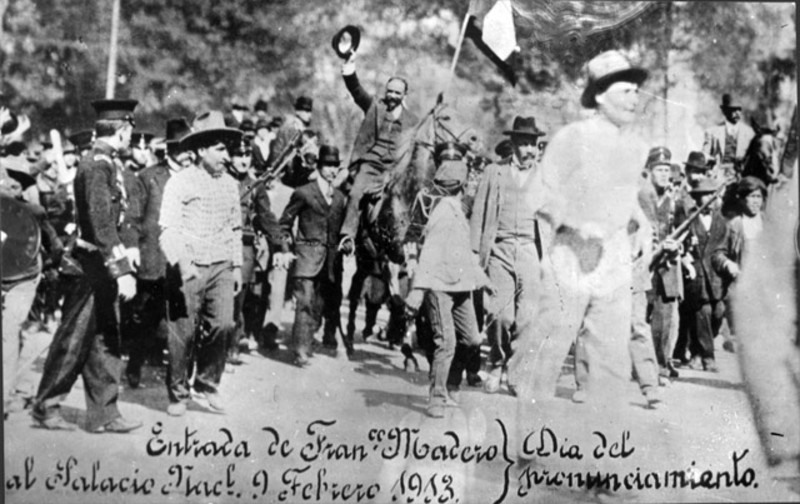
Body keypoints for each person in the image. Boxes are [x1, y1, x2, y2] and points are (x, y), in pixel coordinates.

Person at [513, 50, 651, 446]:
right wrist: (575, 220)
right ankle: (528, 444)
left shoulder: (633, 146)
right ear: (601, 94)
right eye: (626, 90)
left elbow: (627, 198)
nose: (634, 97)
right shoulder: (572, 138)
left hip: (614, 263)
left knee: (610, 364)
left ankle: (603, 463)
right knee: (548, 354)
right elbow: (537, 195)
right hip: (570, 259)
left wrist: (642, 226)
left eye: (637, 90)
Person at [31, 99, 142, 433]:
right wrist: (121, 269)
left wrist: (127, 253)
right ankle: (46, 407)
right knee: (74, 339)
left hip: (102, 265)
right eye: (129, 131)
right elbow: (98, 222)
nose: (130, 138)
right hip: (91, 266)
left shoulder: (106, 162)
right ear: (123, 130)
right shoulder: (96, 165)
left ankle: (104, 413)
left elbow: (113, 219)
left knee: (106, 339)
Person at [159, 110, 244, 416]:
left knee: (223, 324)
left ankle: (208, 385)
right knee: (183, 332)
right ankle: (179, 393)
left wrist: (236, 267)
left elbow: (236, 228)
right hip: (189, 266)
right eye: (220, 149)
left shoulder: (231, 185)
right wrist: (182, 262)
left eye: (228, 150)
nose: (226, 156)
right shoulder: (179, 183)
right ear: (201, 151)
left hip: (221, 265)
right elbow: (168, 229)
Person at [404, 155, 490, 418]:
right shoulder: (443, 210)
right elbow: (429, 253)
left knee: (473, 337)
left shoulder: (460, 211)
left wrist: (483, 280)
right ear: (461, 187)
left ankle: (446, 386)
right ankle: (437, 397)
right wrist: (418, 290)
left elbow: (464, 251)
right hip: (439, 285)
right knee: (446, 342)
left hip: (460, 284)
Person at [470, 116, 546, 395]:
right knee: (500, 314)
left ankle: (516, 373)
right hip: (499, 248)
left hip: (530, 250)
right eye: (524, 143)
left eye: (533, 144)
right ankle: (497, 362)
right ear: (513, 144)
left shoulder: (545, 176)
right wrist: (474, 254)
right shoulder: (494, 172)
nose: (529, 150)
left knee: (527, 316)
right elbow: (478, 213)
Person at [124, 118, 192, 388]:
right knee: (147, 319)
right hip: (154, 258)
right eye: (184, 148)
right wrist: (131, 245)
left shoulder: (195, 179)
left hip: (183, 259)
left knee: (181, 319)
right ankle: (134, 365)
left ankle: (179, 378)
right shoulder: (149, 177)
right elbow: (133, 217)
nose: (190, 154)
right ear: (171, 149)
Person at [338, 49, 419, 246]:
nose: (391, 96)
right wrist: (350, 65)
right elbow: (356, 90)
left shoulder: (412, 121)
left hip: (393, 171)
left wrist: (394, 174)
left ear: (405, 95)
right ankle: (347, 236)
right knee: (356, 193)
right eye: (389, 91)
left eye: (397, 93)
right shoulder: (375, 107)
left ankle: (410, 242)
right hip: (371, 165)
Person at [275, 145, 348, 365]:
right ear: (318, 166)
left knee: (318, 305)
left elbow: (342, 230)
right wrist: (286, 250)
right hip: (306, 258)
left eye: (335, 166)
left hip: (330, 262)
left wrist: (346, 246)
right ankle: (300, 351)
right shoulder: (304, 192)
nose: (331, 170)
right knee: (305, 302)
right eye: (327, 165)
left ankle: (305, 340)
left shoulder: (340, 198)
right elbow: (283, 225)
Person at [639, 147, 685, 380]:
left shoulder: (675, 200)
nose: (664, 174)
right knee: (639, 317)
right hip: (643, 264)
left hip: (667, 266)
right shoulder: (640, 197)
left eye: (667, 169)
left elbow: (684, 232)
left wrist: (677, 247)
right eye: (659, 169)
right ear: (649, 171)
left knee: (665, 319)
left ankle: (661, 367)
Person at [675, 177, 727, 372]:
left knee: (718, 312)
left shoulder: (721, 219)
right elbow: (680, 241)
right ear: (696, 198)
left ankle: (698, 349)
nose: (708, 199)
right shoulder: (687, 217)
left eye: (711, 195)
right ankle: (706, 356)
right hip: (694, 274)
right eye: (703, 195)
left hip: (714, 276)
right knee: (702, 311)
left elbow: (722, 247)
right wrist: (686, 257)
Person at [712, 176, 767, 352]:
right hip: (740, 285)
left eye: (759, 197)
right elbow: (717, 253)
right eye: (751, 196)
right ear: (742, 199)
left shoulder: (769, 223)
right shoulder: (734, 224)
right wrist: (728, 264)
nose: (755, 201)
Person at [702, 93, 756, 180]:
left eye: (739, 109)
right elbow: (704, 155)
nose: (737, 113)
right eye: (733, 110)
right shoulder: (712, 132)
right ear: (724, 111)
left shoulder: (750, 133)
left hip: (742, 177)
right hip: (718, 176)